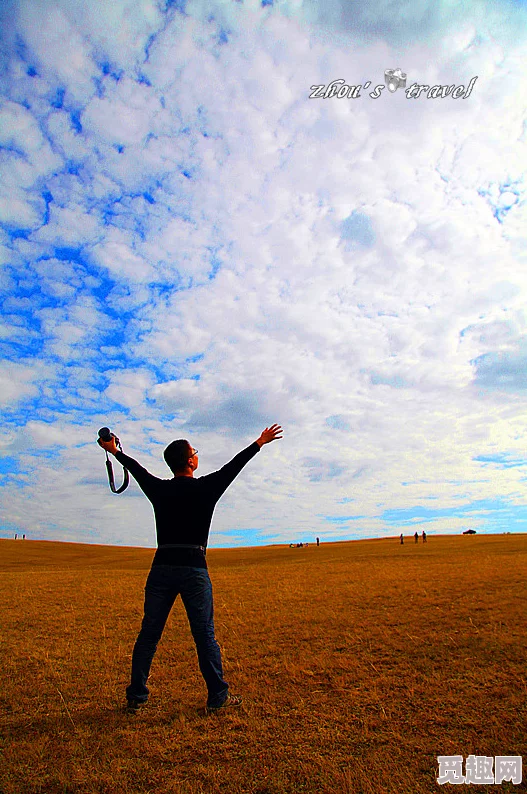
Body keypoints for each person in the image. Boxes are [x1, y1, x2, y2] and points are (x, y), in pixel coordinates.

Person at [98, 424, 282, 716]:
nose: (197, 455)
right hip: (194, 568)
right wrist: (258, 442)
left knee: (149, 634)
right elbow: (233, 467)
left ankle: (136, 697)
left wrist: (115, 451)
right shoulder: (206, 488)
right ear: (190, 462)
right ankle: (217, 696)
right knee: (204, 634)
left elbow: (137, 469)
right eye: (194, 452)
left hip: (161, 568)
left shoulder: (159, 488)